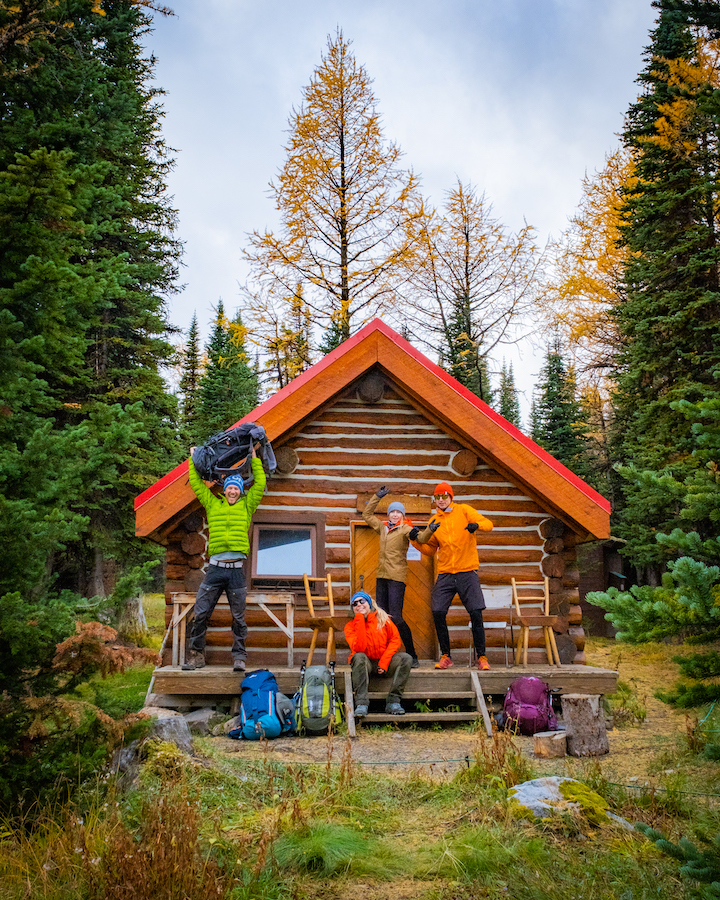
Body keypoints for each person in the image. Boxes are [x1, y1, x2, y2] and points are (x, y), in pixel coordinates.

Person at [183, 444, 266, 672]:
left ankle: (239, 658)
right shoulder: (213, 504)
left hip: (236, 570)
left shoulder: (247, 507)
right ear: (225, 489)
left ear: (240, 491)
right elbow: (198, 486)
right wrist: (194, 459)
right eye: (230, 488)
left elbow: (259, 485)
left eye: (236, 488)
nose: (232, 491)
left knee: (239, 618)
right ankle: (196, 656)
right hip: (215, 569)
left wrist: (255, 459)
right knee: (200, 613)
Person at [410, 482, 493, 671]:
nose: (441, 500)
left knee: (475, 612)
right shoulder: (433, 522)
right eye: (437, 497)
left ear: (451, 497)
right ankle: (446, 655)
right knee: (438, 611)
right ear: (434, 500)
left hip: (467, 571)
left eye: (444, 496)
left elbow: (489, 524)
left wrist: (475, 526)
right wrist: (414, 540)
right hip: (446, 573)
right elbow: (430, 550)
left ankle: (482, 657)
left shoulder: (464, 511)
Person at [362, 486, 419, 668]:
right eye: (392, 511)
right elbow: (367, 514)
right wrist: (377, 496)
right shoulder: (382, 528)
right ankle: (384, 655)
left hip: (397, 577)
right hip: (382, 576)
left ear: (402, 515)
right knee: (382, 617)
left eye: (398, 512)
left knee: (396, 617)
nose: (395, 514)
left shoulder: (405, 529)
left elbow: (422, 538)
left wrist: (428, 531)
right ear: (389, 514)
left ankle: (412, 654)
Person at [344, 590, 412, 717]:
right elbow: (359, 647)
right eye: (355, 603)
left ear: (369, 603)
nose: (358, 604)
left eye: (362, 601)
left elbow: (395, 639)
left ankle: (393, 701)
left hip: (384, 663)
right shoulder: (350, 626)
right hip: (366, 664)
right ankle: (361, 704)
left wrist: (384, 662)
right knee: (358, 656)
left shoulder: (383, 620)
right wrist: (359, 619)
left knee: (406, 658)